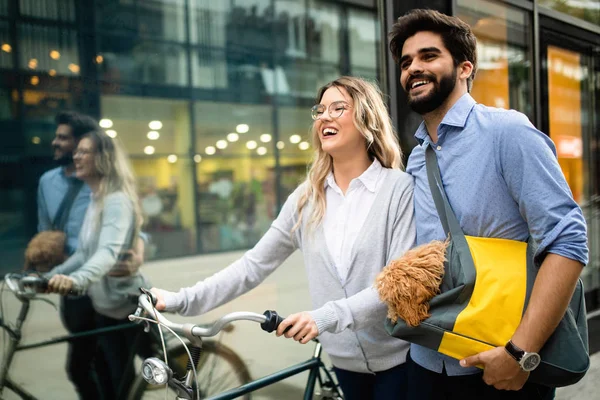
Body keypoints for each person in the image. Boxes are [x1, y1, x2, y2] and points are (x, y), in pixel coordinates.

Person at [151, 76, 416, 400]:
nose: (324, 117)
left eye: (338, 108)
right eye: (320, 110)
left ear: (366, 120)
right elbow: (252, 266)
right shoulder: (307, 199)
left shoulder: (398, 190)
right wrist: (180, 300)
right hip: (344, 363)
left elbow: (397, 285)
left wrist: (323, 317)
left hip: (400, 359)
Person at [388, 9, 588, 400]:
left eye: (429, 56)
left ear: (465, 68)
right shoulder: (416, 156)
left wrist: (521, 353)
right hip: (427, 360)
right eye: (406, 62)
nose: (413, 68)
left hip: (498, 364)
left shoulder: (507, 132)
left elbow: (568, 241)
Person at [37, 111, 145, 400]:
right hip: (103, 305)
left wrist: (76, 281)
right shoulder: (96, 200)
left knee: (129, 381)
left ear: (102, 159)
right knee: (109, 376)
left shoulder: (116, 200)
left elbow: (108, 252)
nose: (76, 156)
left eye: (84, 151)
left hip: (123, 305)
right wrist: (47, 278)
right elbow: (85, 251)